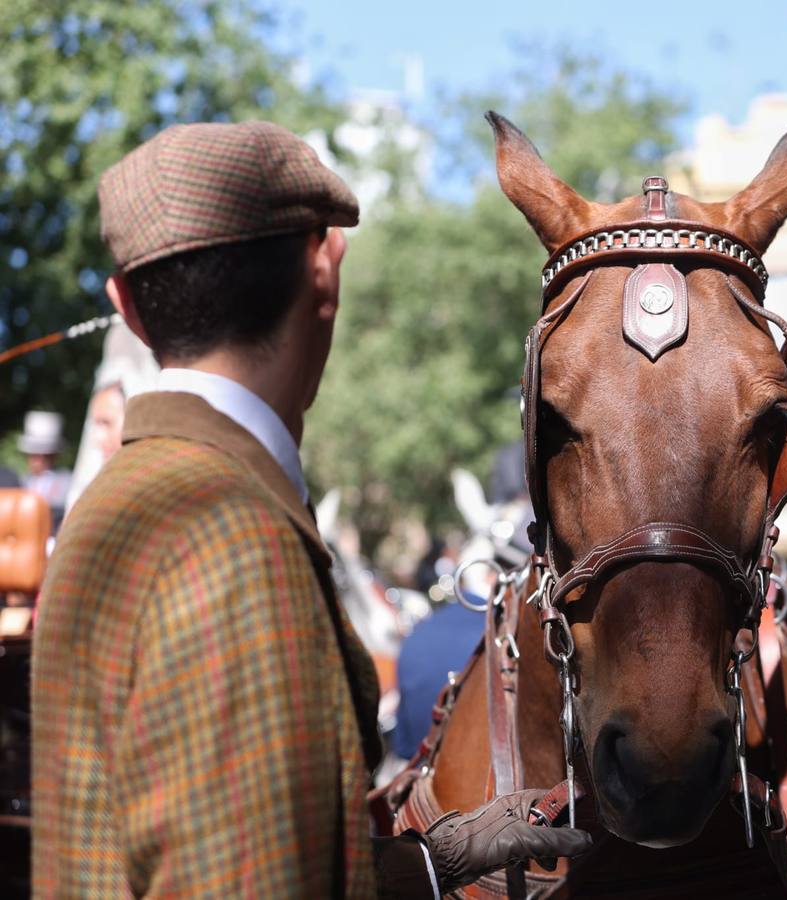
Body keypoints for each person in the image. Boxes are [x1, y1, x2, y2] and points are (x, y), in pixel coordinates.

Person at [31, 121, 589, 899]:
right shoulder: (226, 531)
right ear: (326, 268)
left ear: (125, 305)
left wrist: (431, 861)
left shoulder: (117, 505)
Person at [17, 410, 72, 527]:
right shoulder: (21, 482)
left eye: (46, 454)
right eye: (34, 453)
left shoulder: (67, 482)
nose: (39, 459)